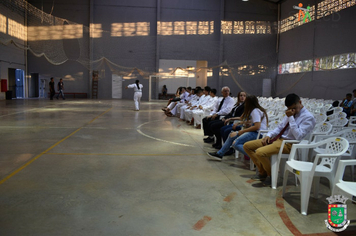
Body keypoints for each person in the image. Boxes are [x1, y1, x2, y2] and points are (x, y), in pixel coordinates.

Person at [243, 93, 316, 187]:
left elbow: (298, 136)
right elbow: (280, 127)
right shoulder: (290, 113)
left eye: (294, 108)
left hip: (289, 144)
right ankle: (263, 171)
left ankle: (270, 174)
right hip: (278, 139)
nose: (291, 110)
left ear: (300, 103)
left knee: (260, 152)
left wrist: (291, 118)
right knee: (247, 146)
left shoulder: (308, 117)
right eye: (289, 108)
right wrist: (269, 135)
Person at [207, 95, 268, 160]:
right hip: (255, 132)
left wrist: (241, 132)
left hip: (258, 134)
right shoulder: (255, 110)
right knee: (231, 135)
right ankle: (220, 153)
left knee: (236, 143)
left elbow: (257, 126)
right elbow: (251, 121)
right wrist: (240, 123)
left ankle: (256, 157)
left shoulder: (255, 111)